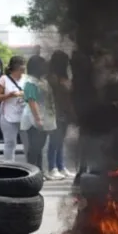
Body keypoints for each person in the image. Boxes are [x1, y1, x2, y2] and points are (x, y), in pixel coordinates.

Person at [21, 55, 57, 173]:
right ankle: (30, 171)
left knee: (40, 147)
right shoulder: (30, 82)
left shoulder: (42, 81)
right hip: (34, 119)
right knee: (35, 148)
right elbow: (31, 100)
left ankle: (39, 172)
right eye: (43, 65)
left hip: (44, 117)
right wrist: (38, 119)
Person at [0, 55, 27, 161]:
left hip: (24, 116)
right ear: (15, 68)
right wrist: (9, 95)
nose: (22, 71)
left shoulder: (26, 79)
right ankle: (9, 166)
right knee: (10, 143)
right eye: (21, 69)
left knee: (28, 144)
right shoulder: (4, 79)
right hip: (8, 116)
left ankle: (30, 168)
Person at [47, 49, 74, 179]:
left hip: (65, 111)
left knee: (61, 141)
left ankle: (61, 166)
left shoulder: (64, 77)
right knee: (54, 141)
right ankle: (52, 167)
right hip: (56, 112)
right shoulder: (52, 77)